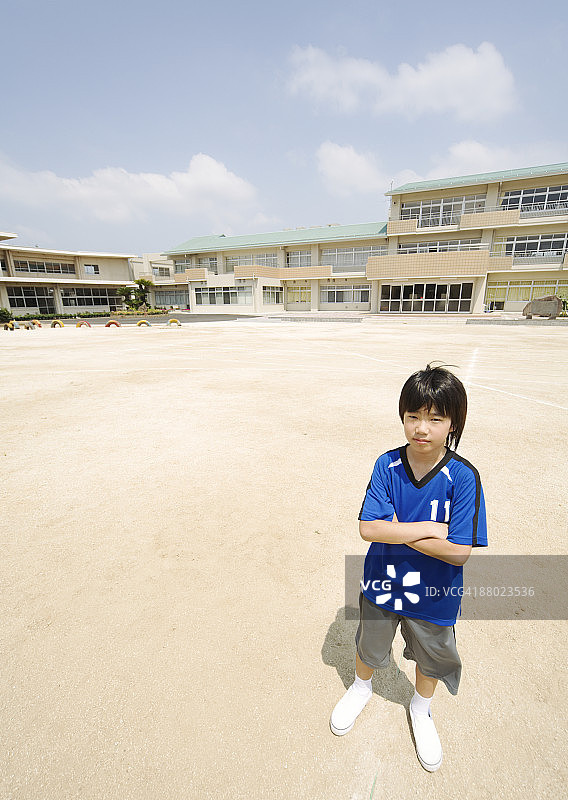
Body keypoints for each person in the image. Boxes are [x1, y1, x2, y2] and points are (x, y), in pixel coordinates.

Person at [330, 363, 488, 772]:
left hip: (435, 593)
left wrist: (395, 529)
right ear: (403, 416)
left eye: (435, 419)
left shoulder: (463, 477)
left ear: (452, 424)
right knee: (370, 643)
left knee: (430, 657)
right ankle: (361, 689)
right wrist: (426, 530)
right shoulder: (387, 465)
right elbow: (368, 528)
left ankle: (421, 709)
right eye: (413, 416)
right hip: (383, 582)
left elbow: (458, 553)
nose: (422, 428)